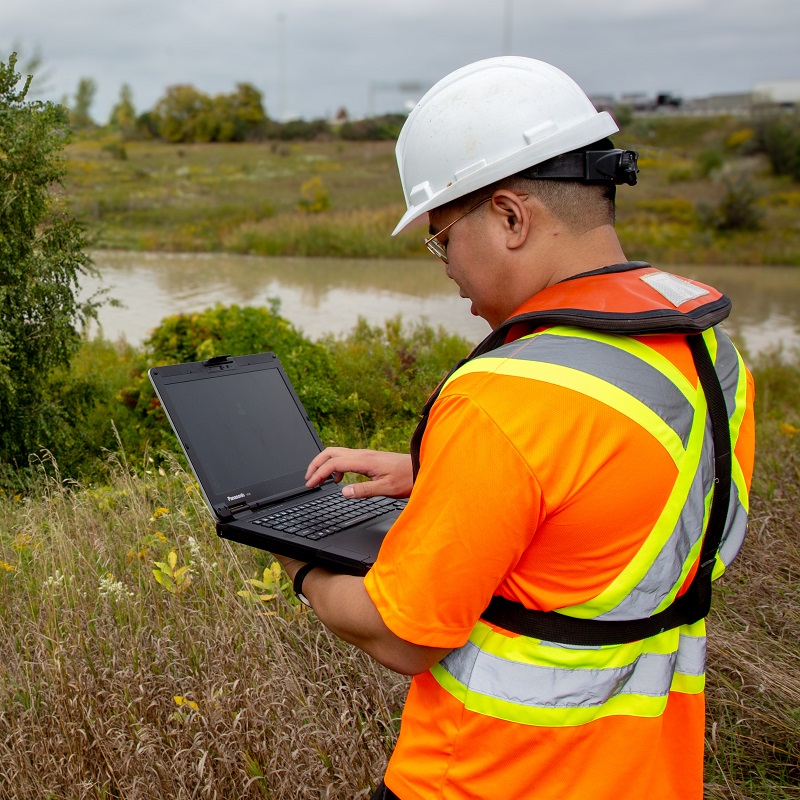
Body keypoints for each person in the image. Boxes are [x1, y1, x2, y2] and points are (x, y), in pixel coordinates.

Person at [274, 57, 755, 800]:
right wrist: (439, 472)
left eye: (441, 240)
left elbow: (404, 634)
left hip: (484, 778)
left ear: (510, 216)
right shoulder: (709, 357)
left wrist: (294, 562)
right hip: (645, 777)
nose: (447, 270)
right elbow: (600, 521)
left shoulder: (506, 397)